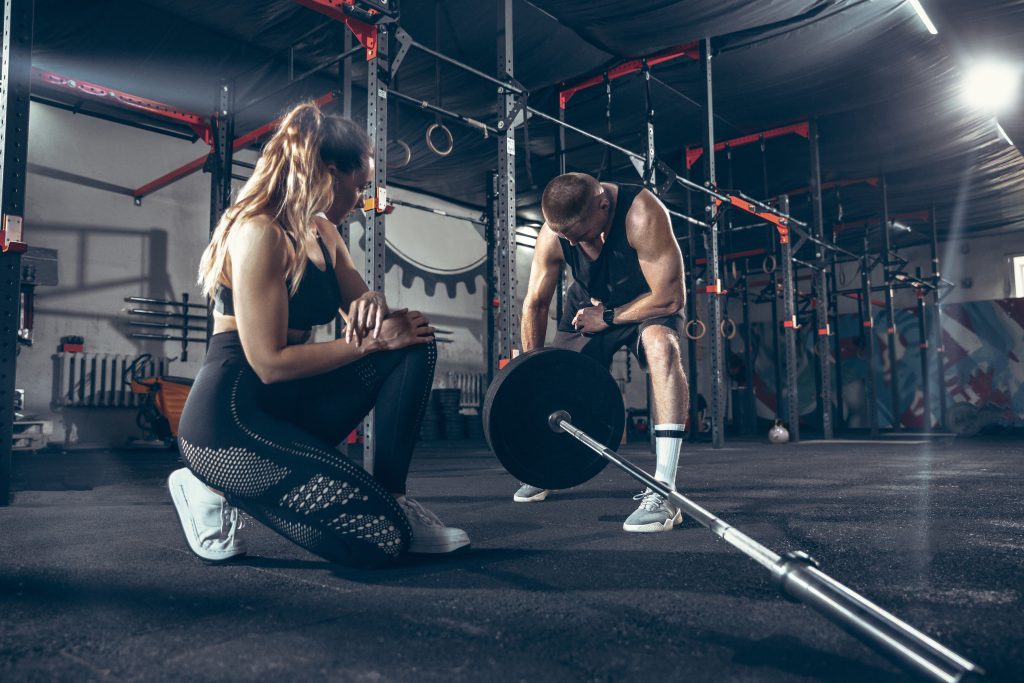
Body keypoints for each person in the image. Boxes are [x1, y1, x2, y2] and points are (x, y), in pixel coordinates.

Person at [168, 101, 469, 568]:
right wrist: (371, 341)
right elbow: (268, 363)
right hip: (230, 418)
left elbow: (374, 323)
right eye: (359, 186)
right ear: (331, 171)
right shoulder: (259, 230)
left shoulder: (325, 232)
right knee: (379, 542)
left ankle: (395, 495)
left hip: (293, 407)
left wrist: (375, 308)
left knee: (412, 341)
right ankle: (208, 483)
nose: (361, 199)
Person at [514, 173, 689, 533]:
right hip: (587, 307)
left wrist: (608, 318)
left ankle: (665, 491)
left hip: (646, 303)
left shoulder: (642, 214)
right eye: (567, 238)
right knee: (555, 374)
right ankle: (548, 468)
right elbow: (534, 305)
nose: (574, 243)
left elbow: (671, 297)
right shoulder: (555, 234)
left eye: (582, 235)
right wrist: (533, 369)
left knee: (663, 347)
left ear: (603, 205)